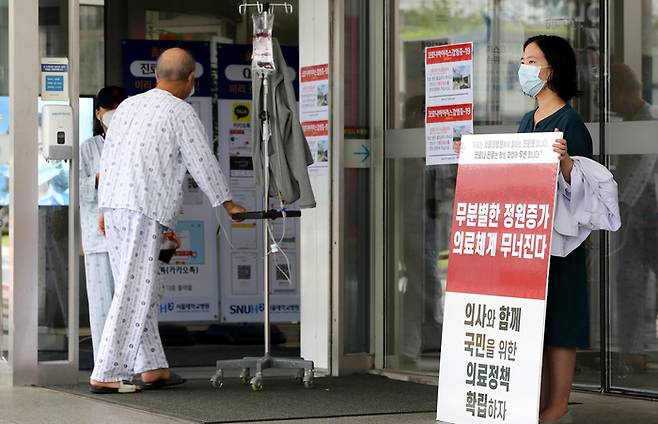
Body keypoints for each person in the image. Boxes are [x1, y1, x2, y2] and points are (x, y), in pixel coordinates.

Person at [455, 35, 619, 423]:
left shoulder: (570, 123)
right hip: (528, 242)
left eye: (531, 60)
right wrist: (476, 156)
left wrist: (565, 164)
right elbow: (517, 174)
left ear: (552, 70)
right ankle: (537, 400)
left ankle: (558, 403)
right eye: (523, 59)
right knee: (536, 323)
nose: (523, 67)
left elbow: (583, 189)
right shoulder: (528, 120)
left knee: (561, 321)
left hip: (558, 242)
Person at [89, 47, 245, 394]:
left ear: (156, 76)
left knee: (140, 287)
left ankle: (152, 367)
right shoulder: (181, 112)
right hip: (143, 207)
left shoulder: (128, 106)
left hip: (115, 206)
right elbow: (201, 160)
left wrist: (103, 209)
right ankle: (107, 371)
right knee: (134, 290)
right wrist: (227, 202)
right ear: (191, 79)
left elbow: (109, 156)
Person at [610, 63, 658, 374]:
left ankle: (636, 350)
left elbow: (641, 171)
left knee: (634, 282)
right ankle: (633, 352)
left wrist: (620, 202)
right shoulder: (631, 122)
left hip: (648, 216)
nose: (611, 109)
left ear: (625, 94)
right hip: (634, 217)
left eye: (612, 100)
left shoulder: (649, 122)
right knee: (628, 283)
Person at [79, 85, 127, 362]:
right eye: (112, 110)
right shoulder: (89, 148)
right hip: (98, 238)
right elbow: (78, 191)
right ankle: (104, 365)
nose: (117, 115)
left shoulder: (133, 146)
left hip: (128, 236)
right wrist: (98, 178)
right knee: (101, 305)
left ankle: (128, 364)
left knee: (127, 303)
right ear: (99, 114)